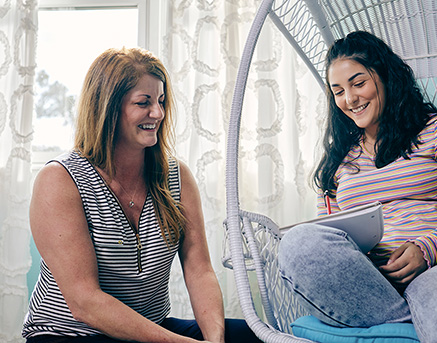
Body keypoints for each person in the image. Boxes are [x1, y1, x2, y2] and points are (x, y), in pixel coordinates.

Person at [23, 48, 260, 343]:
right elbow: (85, 301)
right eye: (143, 103)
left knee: (255, 338)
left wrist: (215, 340)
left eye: (161, 101)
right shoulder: (59, 180)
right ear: (107, 108)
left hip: (149, 331)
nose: (158, 113)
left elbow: (199, 270)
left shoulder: (178, 176)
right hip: (71, 334)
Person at [278, 31, 437, 343]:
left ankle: (421, 322)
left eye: (358, 83)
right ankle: (418, 319)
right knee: (299, 242)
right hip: (371, 284)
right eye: (338, 91)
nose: (350, 99)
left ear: (385, 77)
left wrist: (427, 250)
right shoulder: (338, 160)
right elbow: (330, 235)